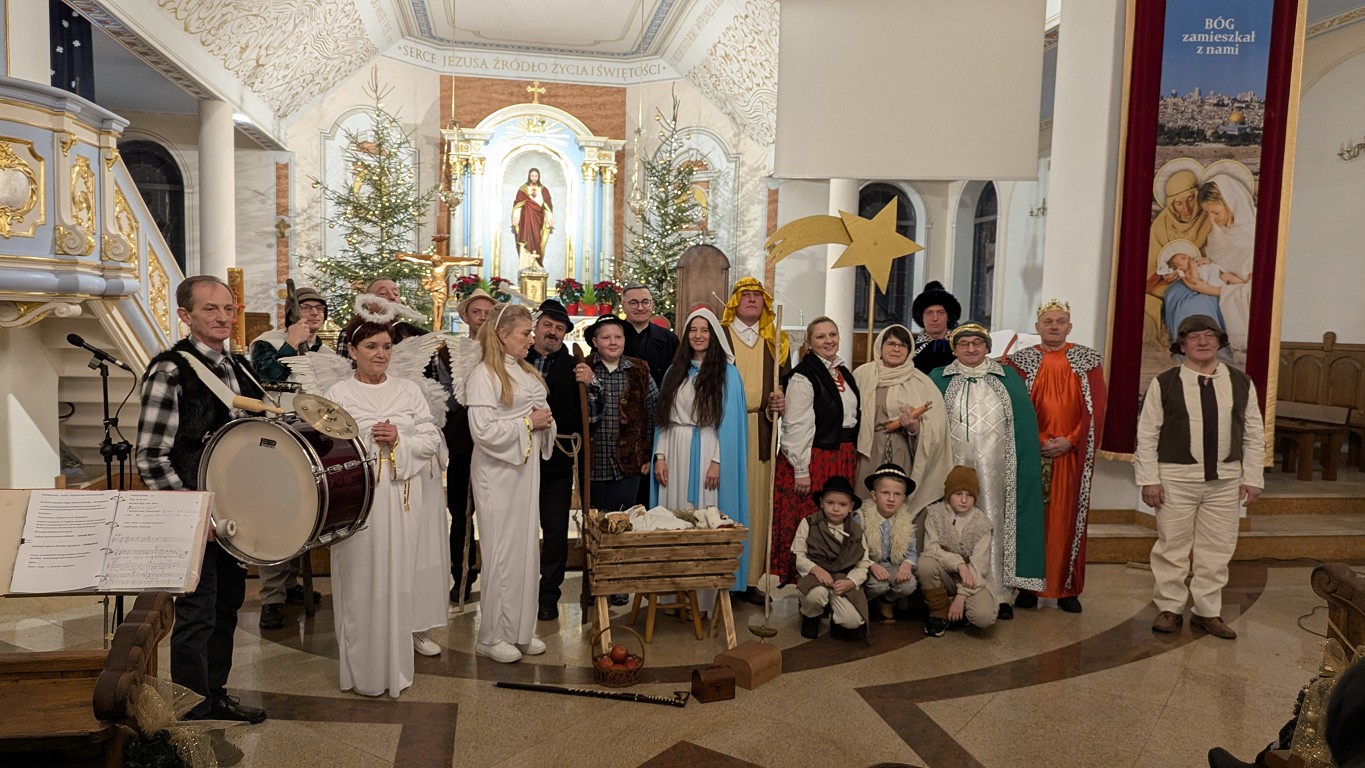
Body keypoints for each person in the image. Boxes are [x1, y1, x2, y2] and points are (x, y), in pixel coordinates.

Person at [135, 275, 267, 723]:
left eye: (228, 309)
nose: (223, 317)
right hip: (194, 516)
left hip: (235, 514)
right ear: (185, 315)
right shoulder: (171, 370)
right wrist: (195, 515)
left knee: (227, 606)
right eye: (210, 309)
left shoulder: (239, 368)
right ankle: (192, 713)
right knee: (197, 615)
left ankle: (215, 695)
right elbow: (151, 457)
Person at [325, 316, 445, 696]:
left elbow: (431, 437)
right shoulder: (339, 393)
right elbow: (327, 446)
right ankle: (362, 670)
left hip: (402, 495)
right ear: (352, 350)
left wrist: (399, 441)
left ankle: (395, 668)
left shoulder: (408, 390)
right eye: (371, 346)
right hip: (359, 498)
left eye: (387, 346)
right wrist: (367, 438)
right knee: (359, 579)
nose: (381, 354)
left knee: (399, 576)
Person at [1136, 314, 1264, 640]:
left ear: (1219, 342)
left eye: (1209, 335)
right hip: (1176, 479)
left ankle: (1207, 612)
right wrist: (1149, 479)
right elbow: (1147, 434)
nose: (1203, 341)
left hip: (1225, 481)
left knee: (1217, 549)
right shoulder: (1165, 383)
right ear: (1182, 345)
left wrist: (1253, 478)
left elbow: (1254, 433)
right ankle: (1169, 607)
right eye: (1194, 337)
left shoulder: (1241, 382)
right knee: (1172, 546)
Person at [928, 323, 1045, 620]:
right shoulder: (939, 379)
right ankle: (949, 591)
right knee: (951, 522)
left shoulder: (1008, 380)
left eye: (977, 343)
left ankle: (999, 592)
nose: (971, 348)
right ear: (954, 349)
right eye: (964, 344)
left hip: (998, 473)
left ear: (987, 348)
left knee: (994, 522)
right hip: (952, 469)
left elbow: (1024, 429)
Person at [1003, 300, 1108, 613]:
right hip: (1031, 454)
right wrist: (1037, 440)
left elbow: (1096, 408)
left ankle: (1066, 589)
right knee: (1030, 518)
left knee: (1066, 519)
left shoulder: (1087, 360)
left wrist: (1071, 440)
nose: (1054, 326)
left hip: (1069, 456)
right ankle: (1028, 586)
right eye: (1048, 321)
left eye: (1060, 321)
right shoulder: (1020, 362)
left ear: (1069, 327)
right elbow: (1014, 408)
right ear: (1037, 327)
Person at [466, 304, 556, 663]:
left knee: (524, 550)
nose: (532, 339)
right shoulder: (484, 375)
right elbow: (482, 431)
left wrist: (545, 422)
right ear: (502, 335)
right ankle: (491, 636)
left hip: (524, 469)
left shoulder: (524, 370)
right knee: (501, 551)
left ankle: (519, 630)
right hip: (496, 474)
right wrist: (529, 424)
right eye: (525, 333)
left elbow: (538, 414)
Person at [652, 307, 750, 603]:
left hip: (708, 448)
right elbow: (664, 420)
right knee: (675, 515)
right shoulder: (674, 372)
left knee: (706, 516)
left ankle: (706, 596)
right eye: (693, 330)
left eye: (704, 330)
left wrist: (718, 462)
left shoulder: (727, 374)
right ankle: (674, 596)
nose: (698, 335)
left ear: (714, 336)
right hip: (675, 449)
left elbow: (729, 425)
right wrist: (660, 456)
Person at [249, 286, 328, 631]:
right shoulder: (266, 343)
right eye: (306, 306)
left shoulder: (326, 352)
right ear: (291, 311)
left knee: (305, 513)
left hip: (313, 441)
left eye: (319, 308)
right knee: (275, 516)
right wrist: (291, 345)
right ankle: (272, 597)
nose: (314, 312)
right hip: (276, 441)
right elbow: (266, 378)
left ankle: (291, 583)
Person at [771, 316, 859, 586]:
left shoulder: (841, 371)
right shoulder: (803, 376)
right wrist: (800, 468)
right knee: (811, 519)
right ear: (809, 342)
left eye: (832, 334)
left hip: (841, 455)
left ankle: (835, 580)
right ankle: (807, 585)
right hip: (815, 458)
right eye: (820, 336)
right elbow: (796, 425)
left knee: (837, 519)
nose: (828, 340)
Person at [719, 277, 790, 603]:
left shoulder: (775, 341)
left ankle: (748, 579)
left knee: (757, 503)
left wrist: (780, 398)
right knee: (725, 501)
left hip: (761, 428)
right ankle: (723, 574)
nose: (751, 300)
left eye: (757, 296)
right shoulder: (720, 337)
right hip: (725, 430)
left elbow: (786, 382)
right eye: (745, 295)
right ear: (734, 302)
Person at [525, 299, 585, 621]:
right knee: (519, 528)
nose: (552, 332)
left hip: (557, 461)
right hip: (518, 457)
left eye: (559, 328)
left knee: (555, 530)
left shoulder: (574, 365)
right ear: (535, 327)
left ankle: (548, 595)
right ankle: (519, 590)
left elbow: (592, 412)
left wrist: (591, 383)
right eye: (547, 324)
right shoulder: (516, 359)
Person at [852, 324, 951, 518]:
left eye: (902, 345)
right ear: (880, 346)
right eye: (891, 344)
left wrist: (914, 428)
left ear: (909, 350)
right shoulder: (862, 375)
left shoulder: (921, 382)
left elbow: (936, 428)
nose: (896, 349)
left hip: (903, 450)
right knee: (865, 507)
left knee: (897, 507)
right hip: (867, 451)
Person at [447, 288, 497, 602]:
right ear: (465, 316)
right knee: (461, 515)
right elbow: (446, 398)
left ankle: (497, 577)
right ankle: (462, 575)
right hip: (463, 445)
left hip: (497, 446)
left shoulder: (503, 351)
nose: (481, 318)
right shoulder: (449, 352)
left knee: (495, 514)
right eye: (476, 312)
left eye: (488, 313)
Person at [582, 314, 659, 513]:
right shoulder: (585, 368)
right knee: (594, 520)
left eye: (618, 337)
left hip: (629, 463)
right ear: (595, 341)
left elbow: (653, 412)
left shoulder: (639, 370)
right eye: (606, 337)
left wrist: (648, 454)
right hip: (593, 463)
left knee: (623, 518)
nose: (613, 342)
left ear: (625, 339)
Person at [918, 466, 998, 636]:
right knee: (925, 564)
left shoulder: (982, 524)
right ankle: (939, 613)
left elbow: (979, 566)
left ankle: (959, 608)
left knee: (984, 617)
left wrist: (962, 596)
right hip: (945, 575)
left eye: (969, 495)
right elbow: (931, 548)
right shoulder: (935, 514)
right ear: (948, 494)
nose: (963, 500)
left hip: (972, 580)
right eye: (958, 494)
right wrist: (959, 564)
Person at [792, 475, 870, 640]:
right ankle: (811, 615)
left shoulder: (856, 532)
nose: (836, 509)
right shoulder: (809, 523)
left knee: (852, 621)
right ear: (821, 502)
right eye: (830, 503)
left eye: (842, 504)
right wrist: (816, 569)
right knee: (816, 595)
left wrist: (851, 582)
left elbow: (863, 564)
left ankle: (838, 618)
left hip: (842, 578)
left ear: (851, 506)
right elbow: (797, 554)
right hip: (815, 575)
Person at [858, 463, 918, 622]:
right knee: (879, 585)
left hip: (891, 565)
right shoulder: (861, 517)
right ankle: (861, 601)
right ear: (874, 495)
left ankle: (886, 601)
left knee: (909, 584)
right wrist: (871, 564)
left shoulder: (905, 521)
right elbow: (854, 549)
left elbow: (911, 551)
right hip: (866, 564)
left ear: (904, 498)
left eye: (897, 494)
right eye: (885, 493)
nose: (891, 499)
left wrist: (907, 564)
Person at [1146, 165, 1211, 289]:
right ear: (1171, 205)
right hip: (1170, 286)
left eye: (1190, 199)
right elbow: (1150, 268)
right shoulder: (1161, 223)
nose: (1186, 209)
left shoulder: (1210, 216)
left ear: (1197, 195)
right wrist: (1164, 276)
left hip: (1207, 281)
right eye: (1179, 203)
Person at [910, 281, 961, 375]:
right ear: (921, 317)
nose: (935, 318)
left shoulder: (961, 344)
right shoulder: (910, 347)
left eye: (940, 313)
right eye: (929, 313)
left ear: (948, 316)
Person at [511, 167, 554, 267]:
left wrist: (550, 218)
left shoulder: (543, 190)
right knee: (525, 239)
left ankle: (537, 264)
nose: (534, 178)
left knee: (537, 239)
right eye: (532, 176)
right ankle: (525, 264)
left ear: (538, 177)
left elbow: (547, 207)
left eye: (536, 176)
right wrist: (516, 217)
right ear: (529, 176)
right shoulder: (523, 189)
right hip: (526, 220)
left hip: (538, 219)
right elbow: (518, 205)